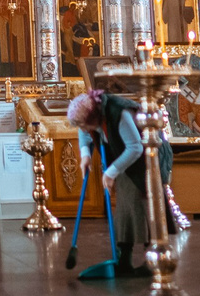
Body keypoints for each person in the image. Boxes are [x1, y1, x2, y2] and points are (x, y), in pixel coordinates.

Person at [67, 87, 171, 276]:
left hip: (148, 158)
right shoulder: (93, 115)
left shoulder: (119, 113)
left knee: (145, 206)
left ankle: (153, 258)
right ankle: (124, 257)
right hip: (127, 159)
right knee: (124, 206)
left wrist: (111, 172)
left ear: (94, 118)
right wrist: (85, 156)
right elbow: (84, 132)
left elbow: (135, 148)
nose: (83, 129)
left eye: (85, 124)